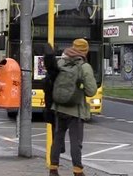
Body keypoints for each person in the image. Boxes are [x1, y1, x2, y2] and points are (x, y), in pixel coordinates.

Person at [49, 38, 97, 176]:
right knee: (76, 142)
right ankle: (77, 171)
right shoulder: (84, 66)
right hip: (75, 110)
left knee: (57, 139)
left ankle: (53, 169)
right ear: (85, 51)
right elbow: (91, 91)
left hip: (58, 107)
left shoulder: (61, 62)